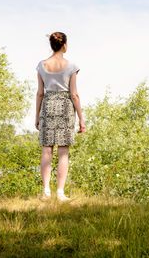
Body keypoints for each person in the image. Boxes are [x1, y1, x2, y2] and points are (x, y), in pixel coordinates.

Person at [35, 31, 86, 202]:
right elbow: (74, 94)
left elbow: (40, 93)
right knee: (63, 152)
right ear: (64, 45)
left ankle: (46, 191)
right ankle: (60, 193)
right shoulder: (71, 66)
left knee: (46, 150)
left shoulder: (41, 65)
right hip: (65, 106)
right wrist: (81, 118)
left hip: (48, 105)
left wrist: (37, 115)